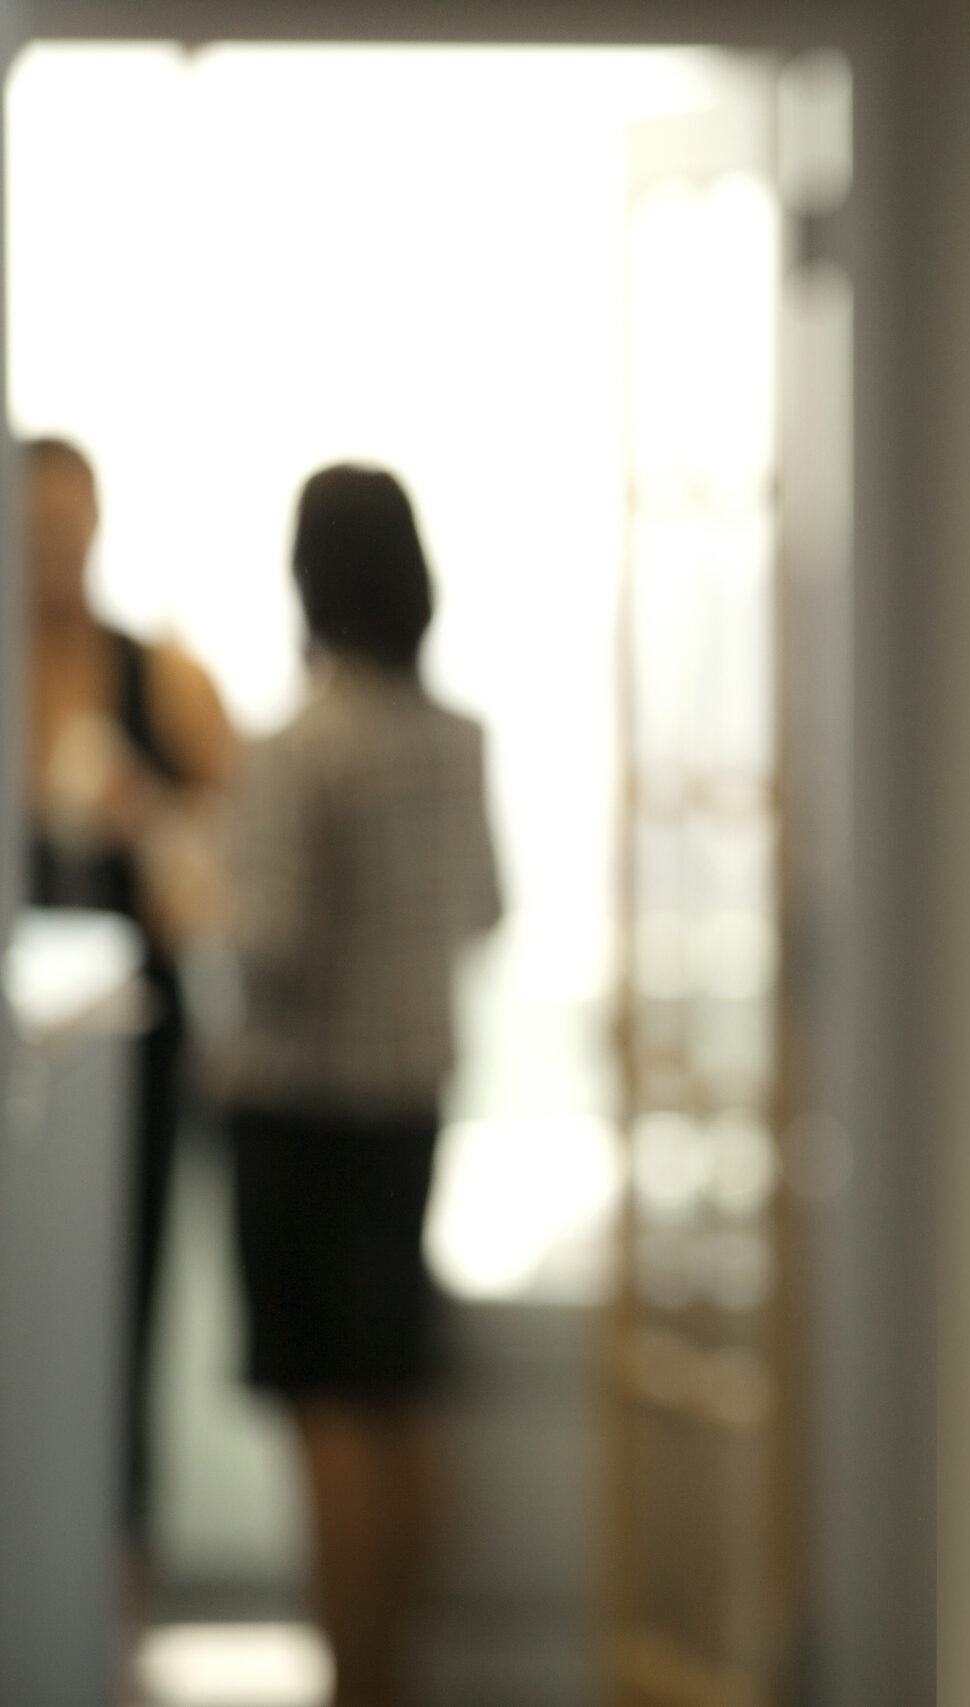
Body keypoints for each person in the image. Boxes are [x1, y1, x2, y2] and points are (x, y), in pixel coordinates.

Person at [222, 465, 500, 1707]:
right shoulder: (456, 741)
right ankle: (404, 1675)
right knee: (399, 1394)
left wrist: (189, 875)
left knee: (328, 1411)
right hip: (409, 1108)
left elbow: (269, 947)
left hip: (302, 1112)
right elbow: (489, 909)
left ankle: (353, 1682)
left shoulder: (298, 750)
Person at [20, 436, 237, 1564]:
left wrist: (143, 817)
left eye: (74, 524)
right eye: (38, 527)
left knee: (121, 1314)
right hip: (23, 1056)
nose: (59, 550)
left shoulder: (164, 676)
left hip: (132, 1056)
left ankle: (115, 1579)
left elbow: (239, 867)